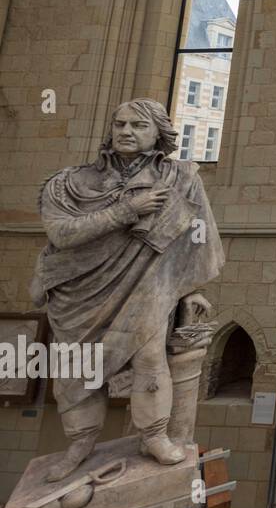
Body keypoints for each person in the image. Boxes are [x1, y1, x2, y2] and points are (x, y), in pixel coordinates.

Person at [32, 98, 225, 481]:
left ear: (158, 134)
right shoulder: (71, 183)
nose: (125, 131)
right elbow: (61, 234)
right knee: (75, 366)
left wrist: (188, 289)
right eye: (119, 123)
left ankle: (154, 436)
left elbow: (196, 240)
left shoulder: (181, 179)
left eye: (138, 125)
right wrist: (126, 211)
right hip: (79, 290)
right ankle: (80, 442)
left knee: (149, 357)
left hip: (148, 282)